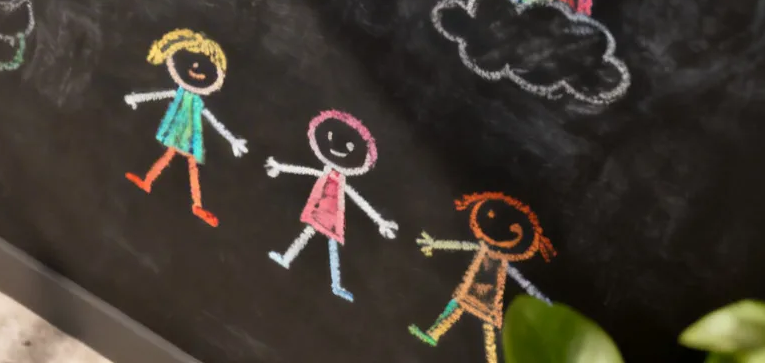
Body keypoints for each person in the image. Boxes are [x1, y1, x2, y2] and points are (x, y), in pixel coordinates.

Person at [263, 109, 398, 302]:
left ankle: (335, 284)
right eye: (331, 137)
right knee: (313, 235)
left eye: (351, 146)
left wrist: (379, 221)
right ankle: (290, 260)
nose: (337, 147)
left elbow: (357, 199)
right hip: (318, 209)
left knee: (329, 243)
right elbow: (307, 171)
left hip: (332, 214)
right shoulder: (327, 172)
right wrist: (280, 167)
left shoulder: (340, 180)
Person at [409, 191, 554, 363]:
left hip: (489, 297)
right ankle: (433, 333)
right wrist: (434, 244)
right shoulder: (485, 250)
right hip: (473, 289)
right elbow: (462, 246)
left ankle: (492, 359)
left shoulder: (501, 260)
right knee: (458, 309)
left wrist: (538, 295)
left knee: (487, 327)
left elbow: (522, 280)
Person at [122, 29, 247, 226]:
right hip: (183, 134)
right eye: (192, 61)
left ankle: (191, 201)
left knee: (184, 162)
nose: (196, 67)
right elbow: (163, 94)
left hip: (186, 135)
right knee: (180, 161)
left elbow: (211, 118)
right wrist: (136, 97)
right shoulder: (182, 93)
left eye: (204, 65)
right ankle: (166, 190)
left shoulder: (194, 101)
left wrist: (232, 140)